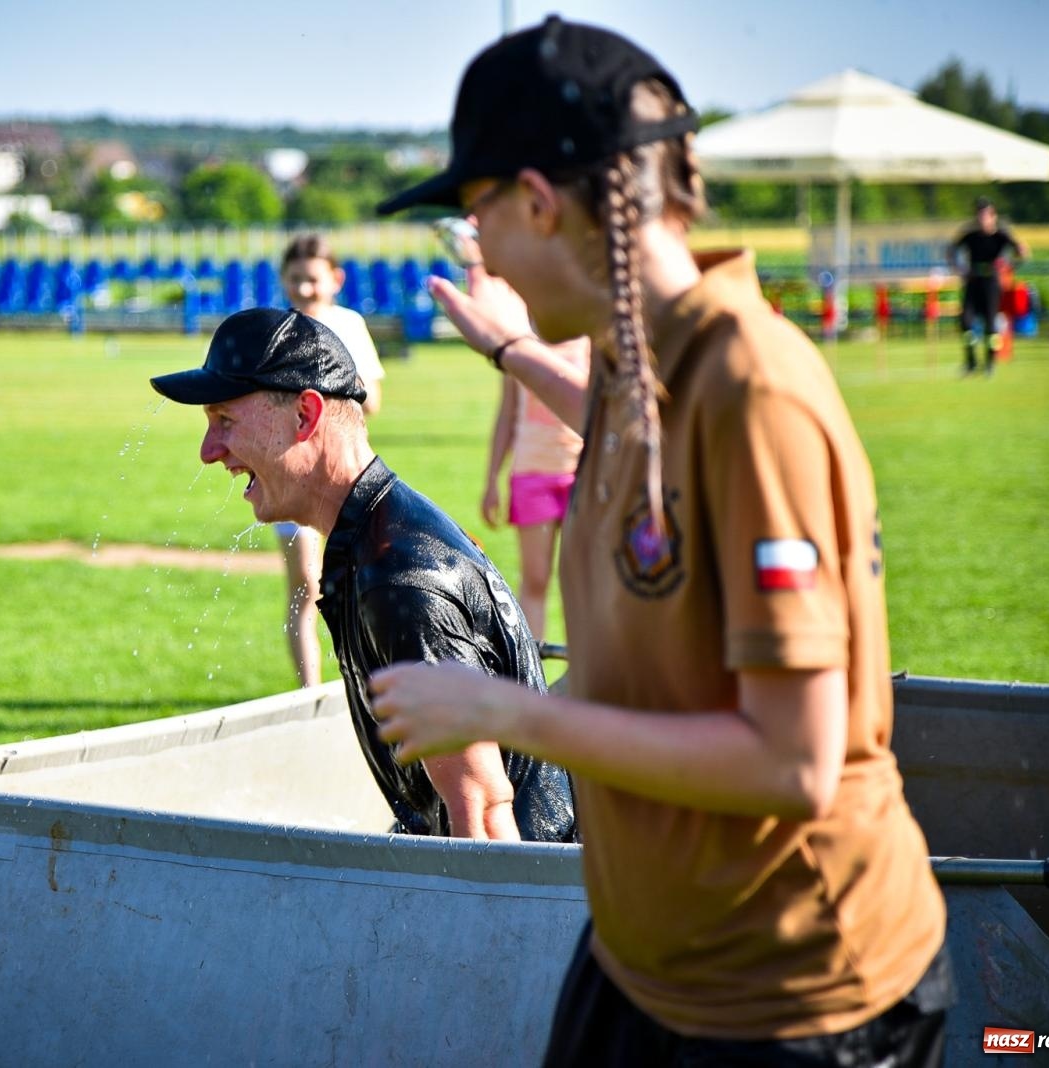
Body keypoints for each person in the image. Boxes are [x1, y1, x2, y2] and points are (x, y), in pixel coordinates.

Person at [371, 17, 952, 1065]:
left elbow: (791, 761)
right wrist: (505, 346)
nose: (479, 251)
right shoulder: (643, 366)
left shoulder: (750, 387)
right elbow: (615, 412)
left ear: (539, 202)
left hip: (789, 997)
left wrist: (505, 712)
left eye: (475, 215)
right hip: (645, 959)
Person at [150, 307, 575, 843]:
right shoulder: (375, 537)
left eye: (225, 422)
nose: (209, 452)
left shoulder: (399, 578)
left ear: (305, 416)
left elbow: (487, 817)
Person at [274, 234, 388, 688]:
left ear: (335, 280)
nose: (304, 289)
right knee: (306, 583)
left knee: (360, 581)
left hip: (347, 472)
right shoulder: (276, 330)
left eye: (313, 280)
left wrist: (330, 387)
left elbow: (373, 400)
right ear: (283, 280)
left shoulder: (349, 325)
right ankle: (310, 692)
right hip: (292, 470)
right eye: (295, 279)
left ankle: (363, 679)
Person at [481, 336, 588, 637]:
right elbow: (507, 415)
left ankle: (579, 671)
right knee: (536, 578)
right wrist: (492, 479)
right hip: (532, 474)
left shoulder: (588, 342)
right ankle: (533, 672)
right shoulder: (517, 343)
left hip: (581, 475)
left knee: (579, 581)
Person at [948, 196, 1029, 375]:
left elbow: (1022, 252)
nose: (981, 219)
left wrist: (1011, 266)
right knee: (966, 322)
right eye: (979, 215)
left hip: (991, 282)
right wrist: (959, 269)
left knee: (990, 326)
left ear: (993, 216)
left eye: (985, 215)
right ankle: (971, 362)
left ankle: (990, 364)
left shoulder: (1001, 235)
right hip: (973, 280)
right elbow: (951, 250)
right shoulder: (970, 235)